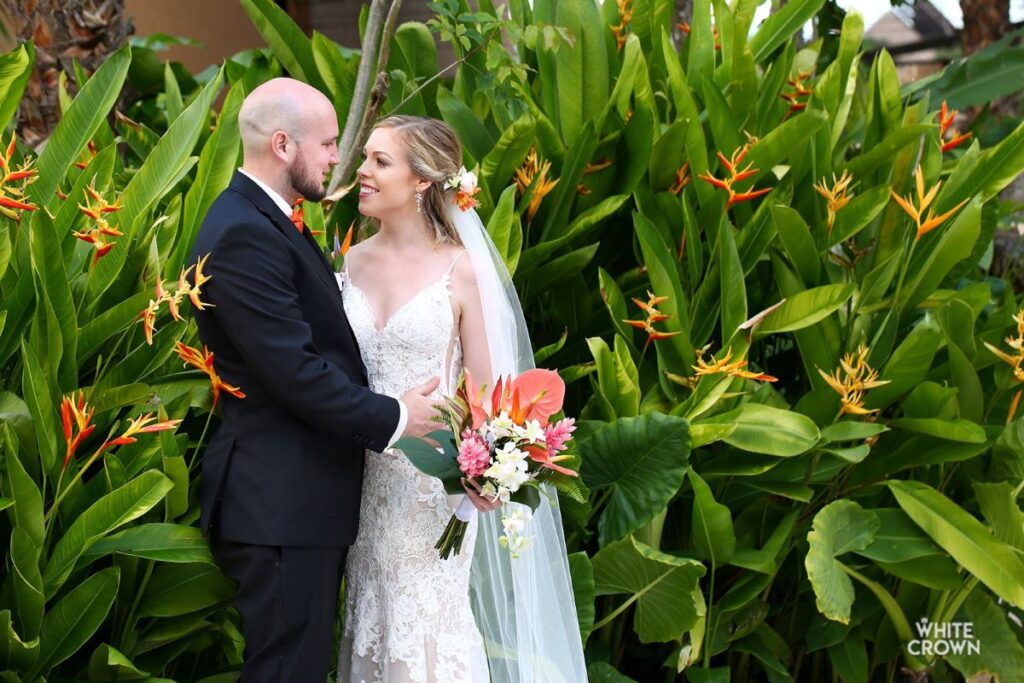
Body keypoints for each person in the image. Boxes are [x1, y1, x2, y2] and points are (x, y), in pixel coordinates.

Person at [188, 78, 442, 682]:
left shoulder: (268, 221)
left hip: (299, 504)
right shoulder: (244, 233)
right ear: (282, 144)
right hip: (280, 505)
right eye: (328, 145)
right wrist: (399, 418)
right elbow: (296, 374)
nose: (337, 157)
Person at [336, 115, 587, 682]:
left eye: (380, 161)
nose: (363, 173)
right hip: (357, 483)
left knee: (423, 627)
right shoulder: (348, 263)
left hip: (432, 494)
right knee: (369, 621)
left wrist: (488, 474)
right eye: (365, 159)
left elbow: (491, 400)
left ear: (422, 180)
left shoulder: (462, 270)